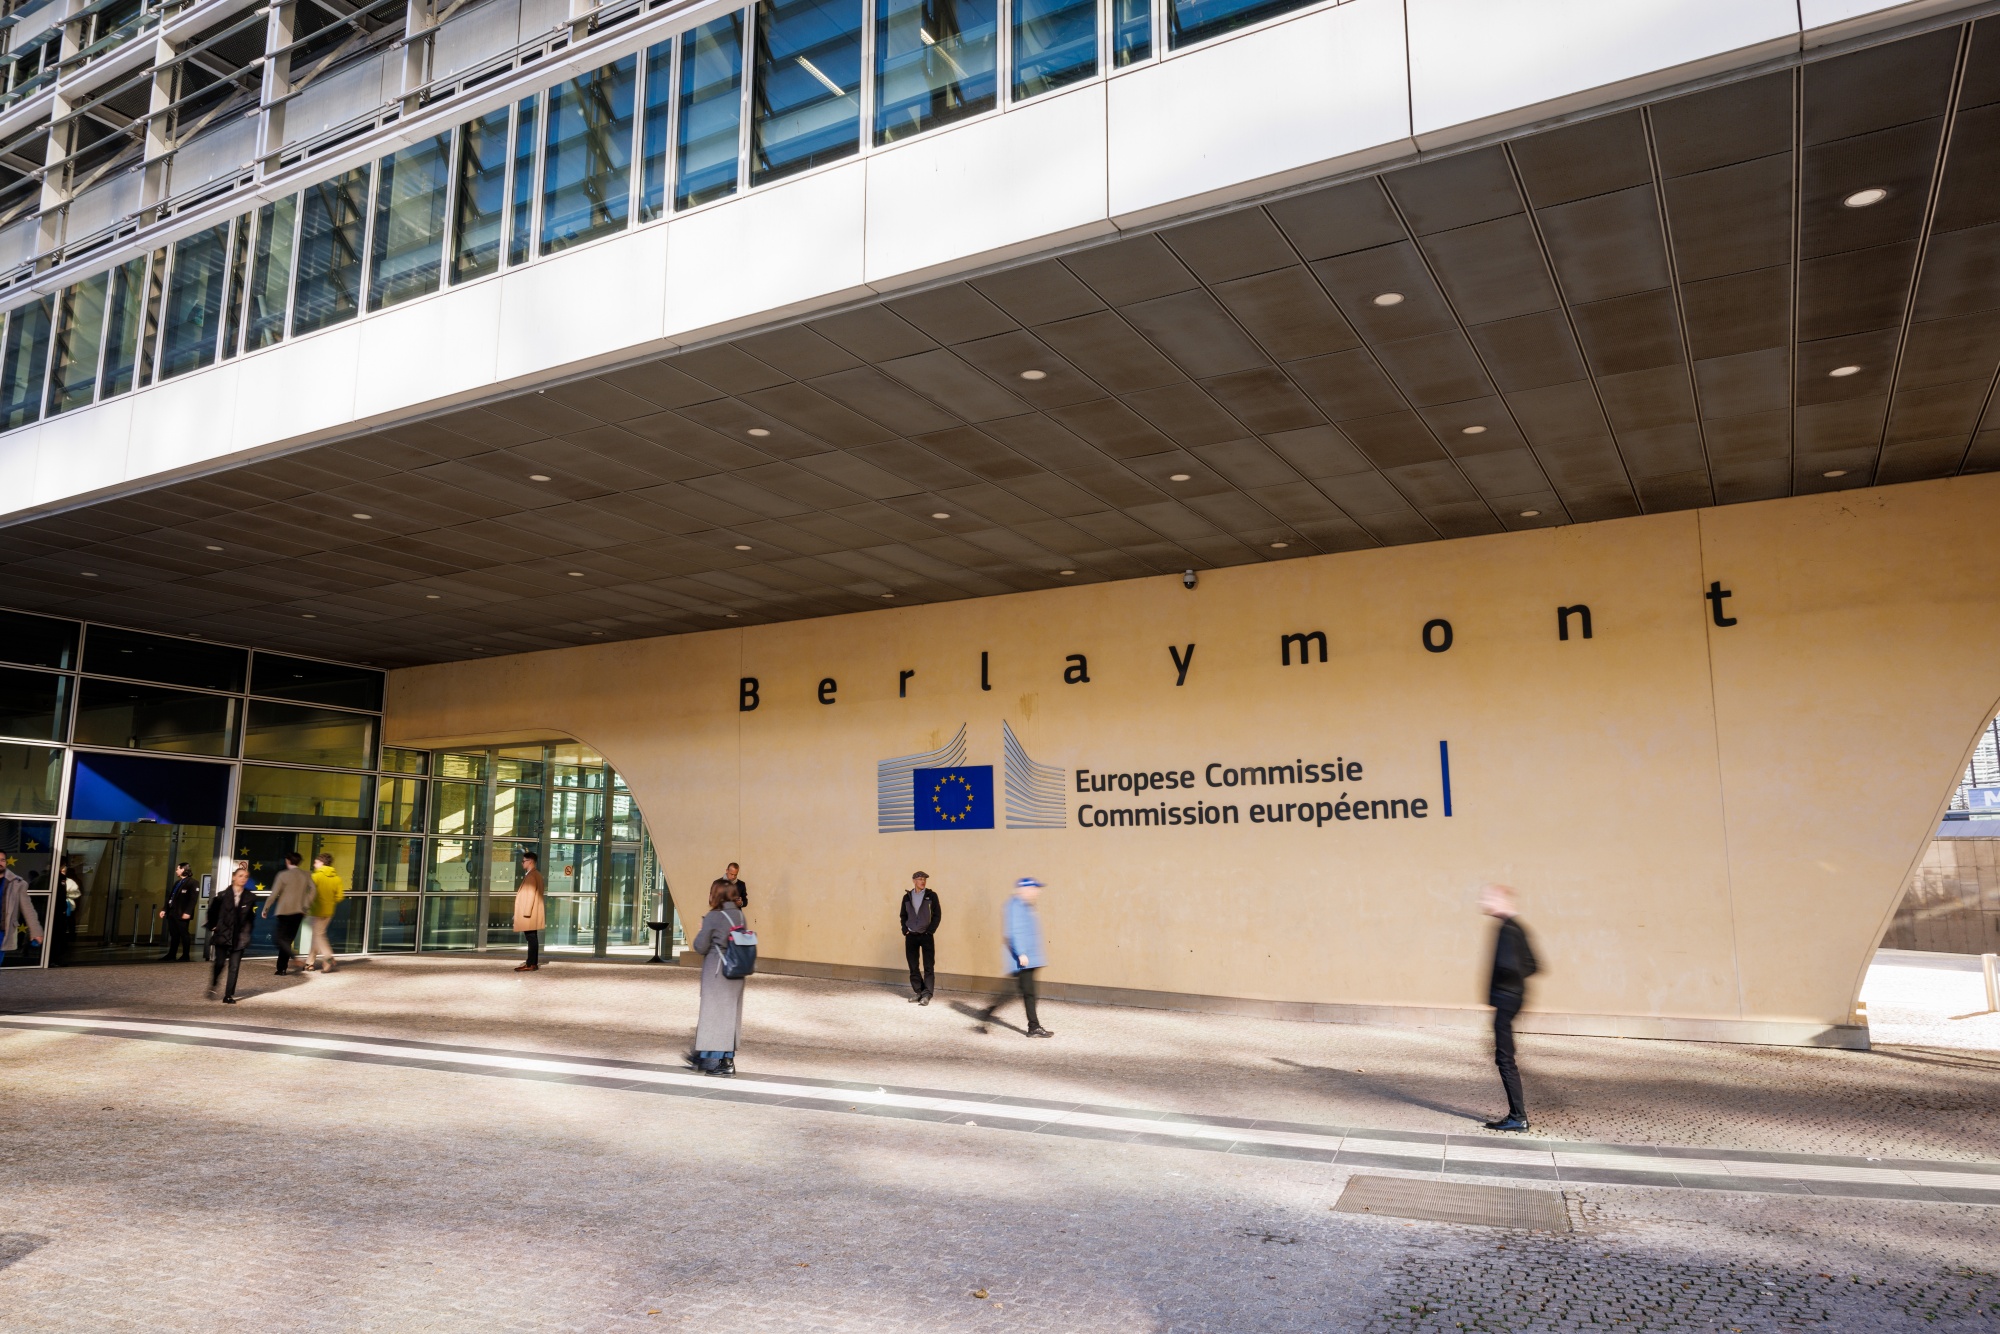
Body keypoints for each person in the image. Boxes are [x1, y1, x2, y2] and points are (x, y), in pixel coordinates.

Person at [1480, 883, 1539, 1132]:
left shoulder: (1507, 929)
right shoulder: (1518, 927)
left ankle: (1518, 1117)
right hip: (1511, 999)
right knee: (1505, 1058)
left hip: (1505, 1000)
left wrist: (1502, 989)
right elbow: (1534, 965)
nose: (1483, 902)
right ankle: (1517, 1115)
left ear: (1502, 900)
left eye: (1488, 898)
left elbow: (1509, 965)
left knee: (1505, 1059)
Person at [685, 880, 749, 1075]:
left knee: (714, 1015)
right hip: (737, 970)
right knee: (730, 1016)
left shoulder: (713, 916)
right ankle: (721, 1058)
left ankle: (720, 1062)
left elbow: (700, 946)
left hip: (717, 971)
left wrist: (701, 929)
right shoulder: (739, 915)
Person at [980, 878, 1052, 1038]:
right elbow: (1013, 932)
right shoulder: (1015, 905)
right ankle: (1033, 1026)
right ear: (1024, 889)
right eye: (1034, 888)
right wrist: (1021, 953)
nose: (1037, 892)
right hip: (1023, 959)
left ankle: (988, 1012)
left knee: (1020, 992)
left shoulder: (1026, 905)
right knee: (1025, 992)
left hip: (1031, 958)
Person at [207, 863, 258, 1004]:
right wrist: (213, 926)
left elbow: (250, 918)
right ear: (234, 877)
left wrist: (247, 933)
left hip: (239, 936)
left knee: (234, 966)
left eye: (246, 877)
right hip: (223, 934)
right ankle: (214, 984)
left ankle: (228, 995)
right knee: (220, 963)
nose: (243, 879)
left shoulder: (250, 898)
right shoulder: (222, 896)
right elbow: (212, 912)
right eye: (240, 876)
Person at [261, 852, 314, 976]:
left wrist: (266, 908)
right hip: (299, 911)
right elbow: (313, 890)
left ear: (287, 861)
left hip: (284, 911)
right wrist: (306, 904)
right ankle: (281, 968)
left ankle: (291, 960)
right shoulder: (306, 874)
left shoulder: (283, 875)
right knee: (287, 940)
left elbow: (274, 894)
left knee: (279, 938)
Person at [899, 870, 941, 1004]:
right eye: (920, 879)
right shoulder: (907, 897)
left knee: (929, 966)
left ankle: (927, 995)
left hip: (926, 935)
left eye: (924, 879)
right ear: (914, 881)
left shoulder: (931, 896)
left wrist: (930, 931)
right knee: (913, 966)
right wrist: (905, 929)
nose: (923, 881)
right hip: (911, 935)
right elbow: (903, 915)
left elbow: (937, 915)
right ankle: (919, 992)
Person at [0, 849, 43, 968]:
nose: (1, 863)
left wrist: (36, 931)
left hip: (2, 932)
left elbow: (28, 908)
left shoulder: (17, 883)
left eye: (3, 860)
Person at [305, 854, 346, 972]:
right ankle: (309, 963)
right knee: (317, 935)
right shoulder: (337, 878)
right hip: (329, 911)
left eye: (315, 862)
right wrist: (329, 901)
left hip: (316, 910)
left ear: (322, 863)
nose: (314, 865)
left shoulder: (315, 877)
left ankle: (328, 957)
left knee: (318, 936)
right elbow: (339, 897)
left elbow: (310, 894)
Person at [157, 862, 198, 962]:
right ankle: (172, 954)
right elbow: (171, 897)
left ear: (183, 869)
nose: (176, 871)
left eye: (177, 869)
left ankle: (185, 955)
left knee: (184, 934)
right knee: (174, 934)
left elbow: (193, 899)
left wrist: (188, 912)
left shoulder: (193, 883)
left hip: (182, 913)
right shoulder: (177, 883)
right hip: (172, 912)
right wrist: (164, 909)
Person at [513, 851, 546, 972]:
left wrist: (525, 913)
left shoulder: (532, 876)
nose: (522, 863)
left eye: (523, 861)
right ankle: (532, 963)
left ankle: (531, 964)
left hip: (529, 913)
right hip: (532, 912)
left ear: (530, 861)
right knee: (532, 938)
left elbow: (531, 894)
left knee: (531, 938)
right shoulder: (535, 874)